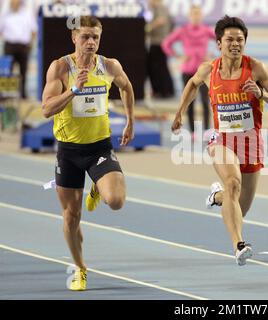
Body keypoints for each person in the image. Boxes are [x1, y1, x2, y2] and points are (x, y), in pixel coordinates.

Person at [171, 15, 268, 266]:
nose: (235, 44)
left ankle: (217, 196)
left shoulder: (255, 68)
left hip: (251, 143)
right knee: (233, 183)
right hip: (221, 140)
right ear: (219, 43)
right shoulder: (209, 69)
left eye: (240, 39)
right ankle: (239, 246)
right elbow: (191, 84)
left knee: (239, 208)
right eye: (230, 39)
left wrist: (262, 93)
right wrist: (180, 112)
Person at [41, 16, 135, 291]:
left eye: (95, 37)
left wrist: (130, 120)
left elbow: (126, 86)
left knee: (116, 201)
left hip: (99, 148)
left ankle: (97, 184)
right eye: (85, 37)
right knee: (71, 216)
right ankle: (80, 268)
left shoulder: (109, 65)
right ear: (74, 38)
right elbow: (46, 109)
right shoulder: (60, 68)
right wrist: (73, 90)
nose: (91, 42)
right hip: (68, 151)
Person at [162, 4, 216, 137]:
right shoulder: (183, 30)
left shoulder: (206, 30)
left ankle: (206, 130)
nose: (196, 16)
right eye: (193, 14)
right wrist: (178, 56)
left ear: (202, 16)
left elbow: (221, 40)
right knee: (189, 102)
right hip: (188, 71)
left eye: (198, 14)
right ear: (189, 16)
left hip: (204, 72)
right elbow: (166, 44)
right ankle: (192, 132)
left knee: (205, 100)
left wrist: (212, 55)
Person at [0, 0, 37, 98]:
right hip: (9, 46)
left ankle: (23, 95)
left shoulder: (27, 13)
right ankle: (5, 95)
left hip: (23, 46)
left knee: (23, 72)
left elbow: (34, 30)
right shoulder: (5, 14)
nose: (14, 3)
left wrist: (31, 44)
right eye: (12, 2)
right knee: (7, 71)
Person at [146, 0, 175, 98]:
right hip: (157, 42)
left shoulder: (161, 9)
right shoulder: (152, 10)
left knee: (160, 68)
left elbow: (163, 22)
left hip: (159, 43)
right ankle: (160, 91)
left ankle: (164, 91)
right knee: (154, 68)